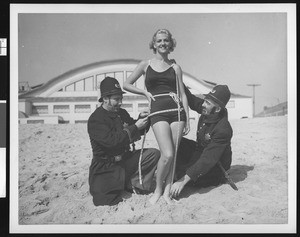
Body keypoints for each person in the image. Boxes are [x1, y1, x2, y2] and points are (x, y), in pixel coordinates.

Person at [123, 29, 190, 204]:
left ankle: (167, 193)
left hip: (177, 113)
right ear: (154, 44)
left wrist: (188, 118)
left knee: (173, 156)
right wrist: (144, 93)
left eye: (166, 40)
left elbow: (182, 94)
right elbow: (126, 84)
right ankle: (158, 190)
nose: (162, 43)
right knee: (166, 154)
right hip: (158, 112)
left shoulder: (176, 67)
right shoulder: (145, 64)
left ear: (171, 44)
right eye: (159, 41)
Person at [87, 76, 160, 206]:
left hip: (125, 161)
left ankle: (133, 184)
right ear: (105, 99)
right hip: (106, 168)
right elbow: (112, 142)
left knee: (153, 154)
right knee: (105, 201)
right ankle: (124, 183)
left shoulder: (122, 113)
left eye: (121, 98)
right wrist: (135, 126)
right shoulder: (96, 119)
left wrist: (142, 119)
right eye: (116, 99)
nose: (120, 102)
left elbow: (136, 129)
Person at [170, 84, 233, 198]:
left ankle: (179, 174)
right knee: (175, 141)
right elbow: (191, 99)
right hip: (200, 151)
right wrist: (178, 79)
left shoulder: (223, 129)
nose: (203, 104)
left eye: (207, 103)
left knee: (183, 175)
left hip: (215, 167)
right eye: (205, 101)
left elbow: (208, 159)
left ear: (218, 109)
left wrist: (182, 180)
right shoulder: (209, 109)